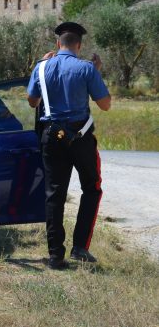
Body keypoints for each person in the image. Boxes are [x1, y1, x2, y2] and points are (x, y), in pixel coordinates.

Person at [27, 21, 111, 269]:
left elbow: (32, 102)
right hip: (81, 138)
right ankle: (80, 247)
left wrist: (42, 68)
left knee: (54, 195)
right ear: (79, 45)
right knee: (92, 189)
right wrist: (94, 73)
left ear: (57, 43)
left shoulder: (41, 68)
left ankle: (55, 256)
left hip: (52, 137)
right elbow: (105, 104)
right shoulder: (87, 69)